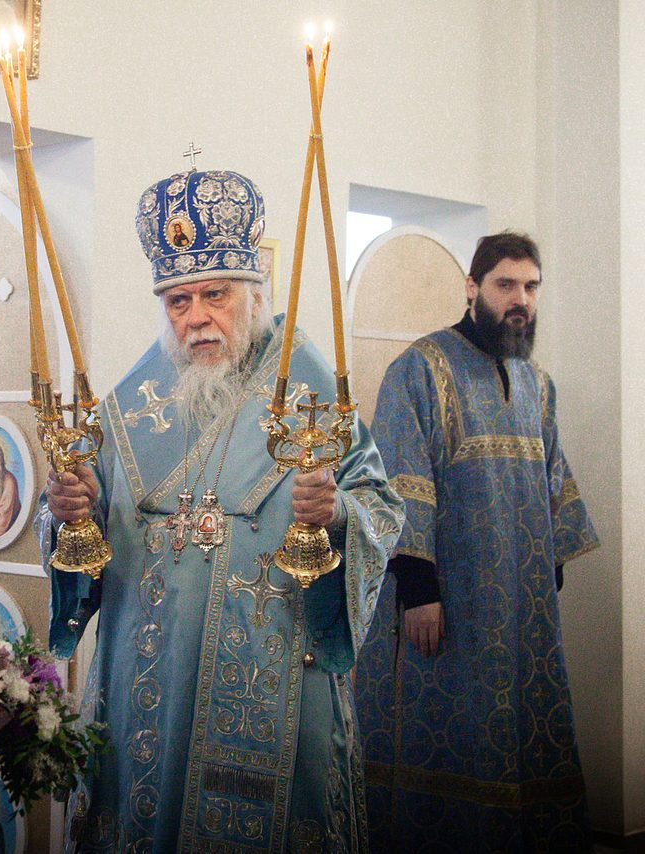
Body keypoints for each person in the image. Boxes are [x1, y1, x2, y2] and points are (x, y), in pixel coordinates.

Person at [41, 167, 404, 851]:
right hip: (147, 681)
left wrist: (336, 517)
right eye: (179, 300)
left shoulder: (311, 393)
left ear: (254, 294)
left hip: (273, 679)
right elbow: (83, 528)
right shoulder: (131, 406)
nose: (197, 316)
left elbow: (380, 508)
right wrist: (67, 514)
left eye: (215, 294)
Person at [354, 232, 599, 851]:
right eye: (505, 285)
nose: (521, 300)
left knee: (519, 739)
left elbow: (552, 483)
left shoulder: (536, 381)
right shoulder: (420, 368)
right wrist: (418, 590)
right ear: (472, 287)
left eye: (531, 287)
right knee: (447, 740)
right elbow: (401, 482)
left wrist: (547, 579)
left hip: (521, 608)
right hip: (447, 603)